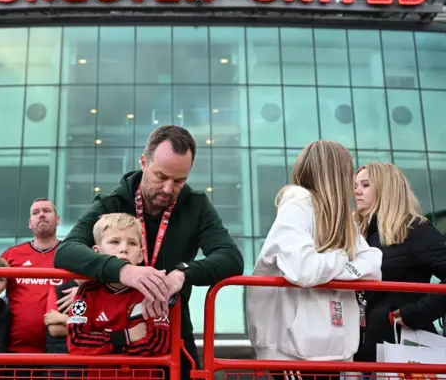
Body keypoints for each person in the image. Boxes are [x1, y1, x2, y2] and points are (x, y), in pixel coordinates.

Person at [54, 125, 244, 378]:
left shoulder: (196, 205)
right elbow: (67, 250)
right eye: (161, 176)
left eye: (179, 181)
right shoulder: (110, 203)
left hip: (172, 331)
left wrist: (182, 273)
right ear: (143, 162)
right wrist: (124, 270)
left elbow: (230, 257)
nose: (168, 188)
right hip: (109, 335)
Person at [247, 140, 382, 380]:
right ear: (335, 174)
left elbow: (373, 264)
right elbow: (304, 269)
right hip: (294, 351)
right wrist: (343, 259)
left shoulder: (339, 216)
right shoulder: (298, 204)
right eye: (347, 173)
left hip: (328, 348)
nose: (351, 184)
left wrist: (336, 268)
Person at [353, 162, 446, 363]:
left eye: (365, 185)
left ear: (386, 188)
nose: (357, 191)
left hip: (404, 351)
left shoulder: (414, 230)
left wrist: (418, 313)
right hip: (361, 353)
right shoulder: (357, 236)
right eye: (355, 186)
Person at [0, 198, 78, 354]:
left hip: (59, 350)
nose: (41, 215)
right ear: (30, 223)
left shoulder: (71, 254)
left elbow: (94, 286)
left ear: (57, 219)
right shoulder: (12, 255)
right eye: (36, 212)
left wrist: (80, 291)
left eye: (46, 211)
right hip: (15, 350)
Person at [67, 213, 172, 356]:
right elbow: (76, 342)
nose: (124, 249)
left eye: (132, 243)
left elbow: (157, 345)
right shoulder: (87, 291)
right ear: (96, 253)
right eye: (115, 242)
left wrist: (105, 346)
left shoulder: (153, 289)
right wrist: (126, 336)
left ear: (141, 255)